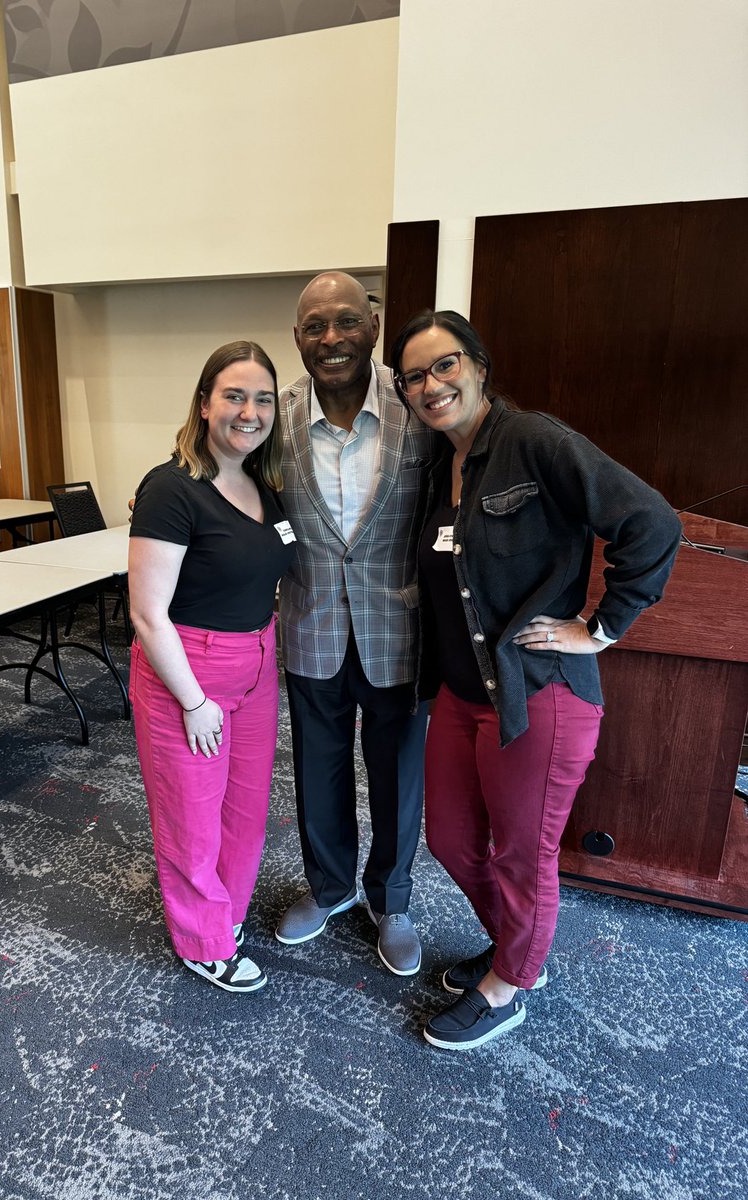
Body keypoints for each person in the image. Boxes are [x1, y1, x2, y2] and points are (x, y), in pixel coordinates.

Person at [390, 309, 681, 1048]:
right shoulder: (436, 464)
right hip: (459, 694)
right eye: (414, 376)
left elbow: (652, 523)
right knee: (452, 840)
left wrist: (601, 630)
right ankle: (523, 949)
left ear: (479, 365)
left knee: (523, 852)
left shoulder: (534, 441)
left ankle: (511, 985)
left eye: (444, 364)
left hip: (538, 694)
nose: (431, 385)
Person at [274, 272, 438, 976]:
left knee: (398, 775)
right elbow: (216, 470)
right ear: (298, 339)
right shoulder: (271, 417)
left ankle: (392, 900)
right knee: (318, 768)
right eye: (315, 326)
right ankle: (331, 887)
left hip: (400, 629)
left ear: (373, 325)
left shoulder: (419, 410)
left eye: (345, 322)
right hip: (309, 623)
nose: (331, 338)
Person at [128, 341, 297, 993]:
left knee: (245, 810)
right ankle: (202, 939)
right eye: (233, 395)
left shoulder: (262, 483)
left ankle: (222, 913)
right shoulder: (171, 488)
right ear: (204, 404)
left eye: (261, 398)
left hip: (255, 665)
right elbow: (148, 614)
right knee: (191, 813)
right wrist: (195, 701)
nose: (248, 411)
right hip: (188, 674)